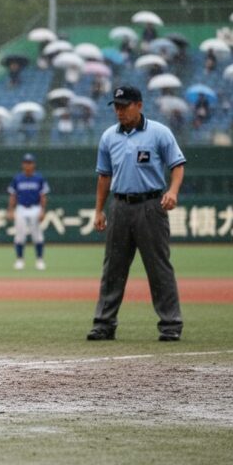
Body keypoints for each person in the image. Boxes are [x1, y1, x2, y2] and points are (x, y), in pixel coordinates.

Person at [87, 86, 185, 342]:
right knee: (113, 268)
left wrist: (173, 192)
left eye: (124, 105)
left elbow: (177, 165)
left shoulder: (159, 132)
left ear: (139, 105)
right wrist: (99, 210)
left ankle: (170, 324)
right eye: (116, 106)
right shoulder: (109, 137)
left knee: (158, 267)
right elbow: (104, 176)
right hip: (119, 206)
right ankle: (104, 324)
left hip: (151, 205)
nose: (119, 111)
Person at [7, 153, 49, 270]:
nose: (28, 165)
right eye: (26, 163)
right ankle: (20, 260)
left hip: (35, 208)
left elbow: (43, 196)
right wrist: (10, 210)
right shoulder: (18, 178)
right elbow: (12, 195)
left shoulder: (39, 178)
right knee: (19, 236)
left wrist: (42, 210)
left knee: (38, 236)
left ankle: (39, 260)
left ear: (33, 164)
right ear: (22, 164)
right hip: (21, 208)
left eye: (30, 163)